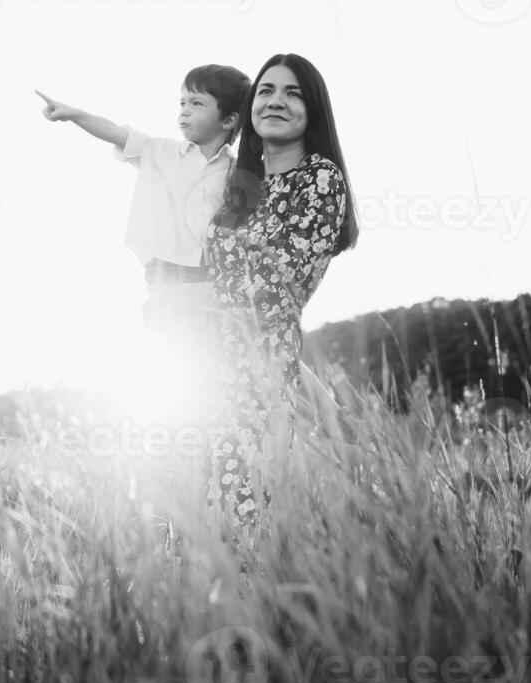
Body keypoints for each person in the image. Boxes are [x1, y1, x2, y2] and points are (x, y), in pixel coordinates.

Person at [203, 53, 359, 524]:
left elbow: (272, 294)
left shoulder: (320, 179)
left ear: (313, 110)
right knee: (189, 545)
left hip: (253, 386)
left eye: (293, 94)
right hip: (197, 377)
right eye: (266, 91)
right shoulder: (236, 186)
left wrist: (192, 305)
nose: (276, 101)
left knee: (241, 528)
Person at [35, 65, 251, 346]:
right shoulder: (161, 151)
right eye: (182, 103)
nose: (184, 111)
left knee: (211, 349)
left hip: (209, 276)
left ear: (228, 120)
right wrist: (73, 114)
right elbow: (115, 133)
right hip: (166, 275)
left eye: (196, 103)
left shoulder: (236, 172)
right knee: (175, 346)